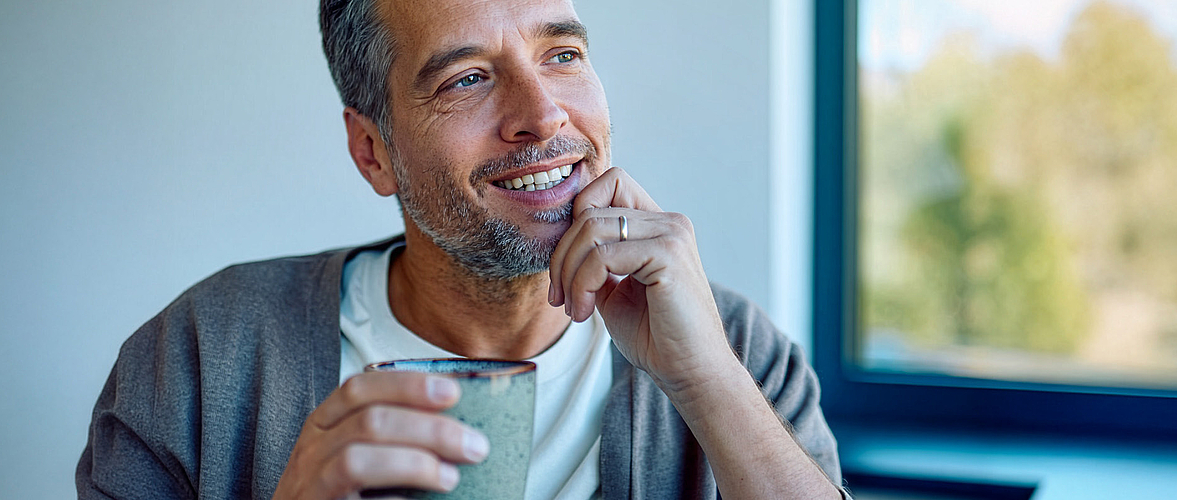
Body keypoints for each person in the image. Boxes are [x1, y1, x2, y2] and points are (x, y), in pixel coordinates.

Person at [77, 0, 850, 498]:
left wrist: (707, 380)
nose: (544, 116)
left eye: (563, 55)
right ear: (373, 150)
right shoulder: (196, 361)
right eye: (469, 78)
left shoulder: (738, 350)